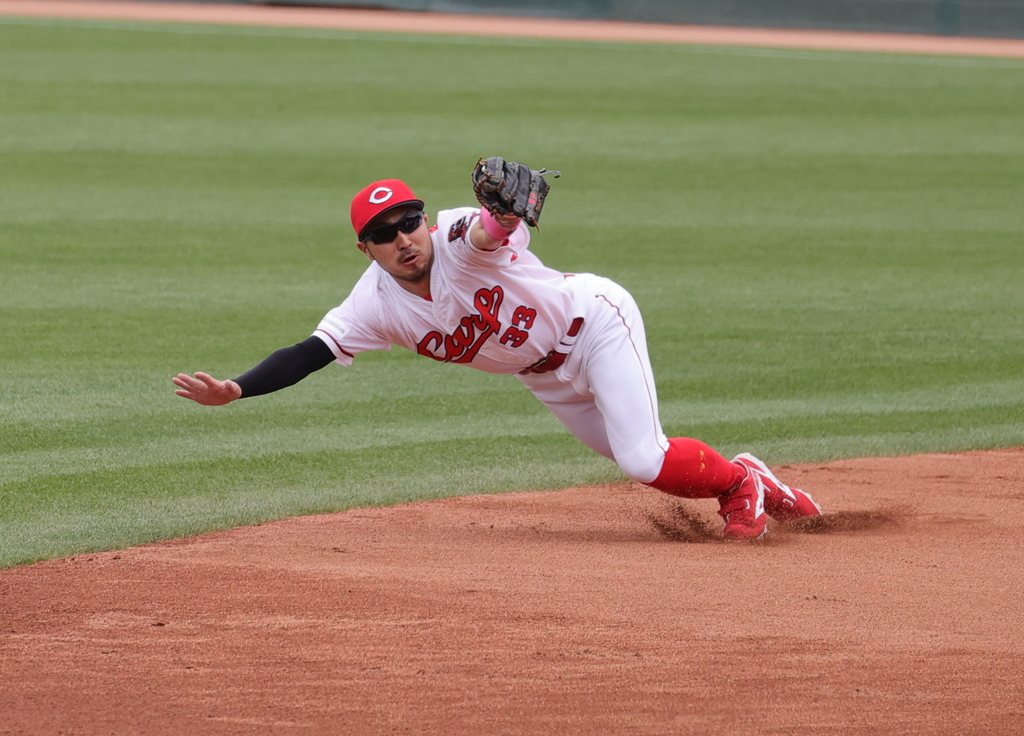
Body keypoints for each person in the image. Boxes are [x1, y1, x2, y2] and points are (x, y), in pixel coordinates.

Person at [173, 160, 821, 540]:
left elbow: (491, 226)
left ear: (424, 220)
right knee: (641, 456)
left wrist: (505, 213)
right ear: (364, 249)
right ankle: (753, 475)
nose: (402, 238)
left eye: (407, 221)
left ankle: (739, 489)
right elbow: (309, 351)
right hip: (545, 377)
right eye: (382, 233)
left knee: (641, 457)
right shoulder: (372, 305)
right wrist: (237, 387)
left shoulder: (457, 234)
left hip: (593, 324)